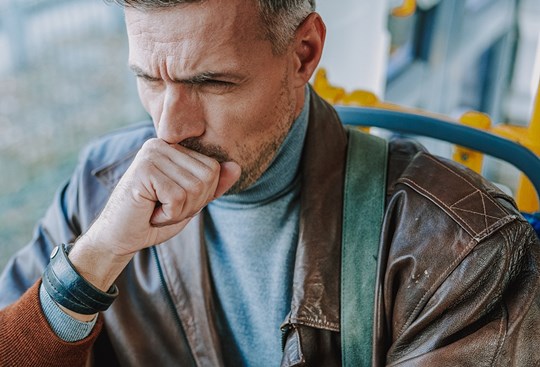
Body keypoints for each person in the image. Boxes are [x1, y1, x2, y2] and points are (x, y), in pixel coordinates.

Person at [1, 0, 539, 366]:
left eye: (211, 82)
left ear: (304, 53)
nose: (168, 129)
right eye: (148, 78)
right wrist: (94, 259)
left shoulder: (463, 249)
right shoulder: (100, 187)